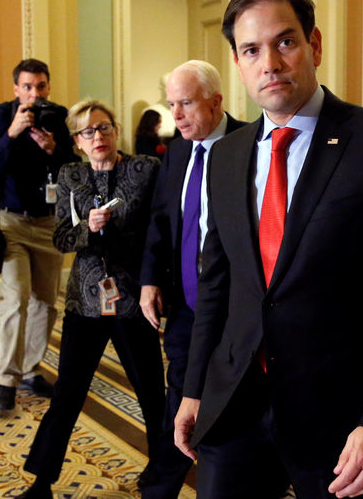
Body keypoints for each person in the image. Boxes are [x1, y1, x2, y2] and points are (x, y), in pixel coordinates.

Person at [173, 0, 363, 499]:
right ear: (237, 62)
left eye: (285, 42)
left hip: (339, 422)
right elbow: (217, 285)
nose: (270, 64)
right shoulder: (228, 156)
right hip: (234, 407)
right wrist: (193, 390)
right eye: (251, 50)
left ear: (315, 45)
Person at [17, 99, 167, 498]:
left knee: (151, 391)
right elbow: (62, 238)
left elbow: (161, 231)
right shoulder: (70, 175)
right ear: (77, 141)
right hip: (85, 301)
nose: (97, 137)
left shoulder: (145, 169)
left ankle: (162, 471)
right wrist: (88, 227)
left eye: (103, 128)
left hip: (133, 298)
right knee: (68, 392)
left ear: (115, 131)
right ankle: (42, 481)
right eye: (87, 132)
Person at [139, 59, 246, 499]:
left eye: (185, 103)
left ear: (216, 101)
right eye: (171, 104)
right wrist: (149, 279)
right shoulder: (178, 149)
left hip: (235, 312)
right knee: (179, 399)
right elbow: (162, 220)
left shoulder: (249, 145)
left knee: (232, 406)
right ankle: (161, 487)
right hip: (184, 307)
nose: (176, 115)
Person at [0, 58, 79, 411]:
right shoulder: (0, 116)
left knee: (45, 302)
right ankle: (6, 378)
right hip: (11, 224)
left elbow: (72, 168)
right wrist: (12, 133)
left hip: (49, 223)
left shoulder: (58, 115)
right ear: (16, 89)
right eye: (27, 87)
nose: (34, 94)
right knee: (16, 299)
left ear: (48, 86)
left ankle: (31, 369)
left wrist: (53, 149)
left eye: (40, 86)